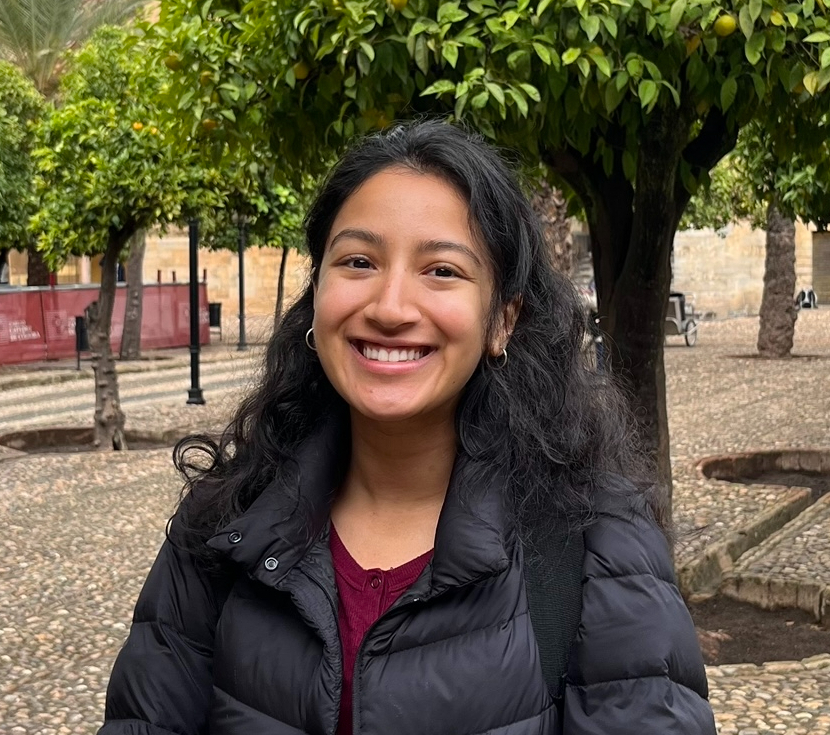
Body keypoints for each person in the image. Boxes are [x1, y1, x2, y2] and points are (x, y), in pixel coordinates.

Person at [99, 121, 715, 735]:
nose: (390, 307)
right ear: (318, 296)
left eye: (442, 270)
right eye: (359, 261)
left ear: (502, 321)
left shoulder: (594, 543)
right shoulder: (223, 529)